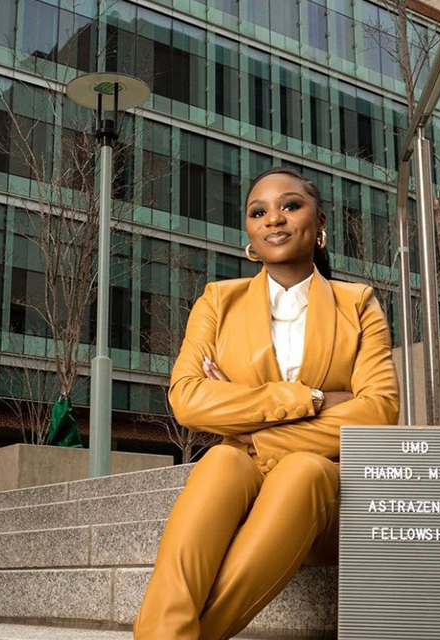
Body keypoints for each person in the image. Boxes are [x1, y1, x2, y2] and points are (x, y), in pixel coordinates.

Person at [134, 167, 401, 639]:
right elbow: (188, 399)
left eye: (291, 205)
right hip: (240, 470)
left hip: (328, 488)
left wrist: (250, 420)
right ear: (250, 238)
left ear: (319, 225)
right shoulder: (219, 301)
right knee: (220, 461)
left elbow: (378, 410)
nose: (274, 219)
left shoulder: (357, 303)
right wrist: (310, 398)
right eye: (259, 212)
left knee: (300, 469)